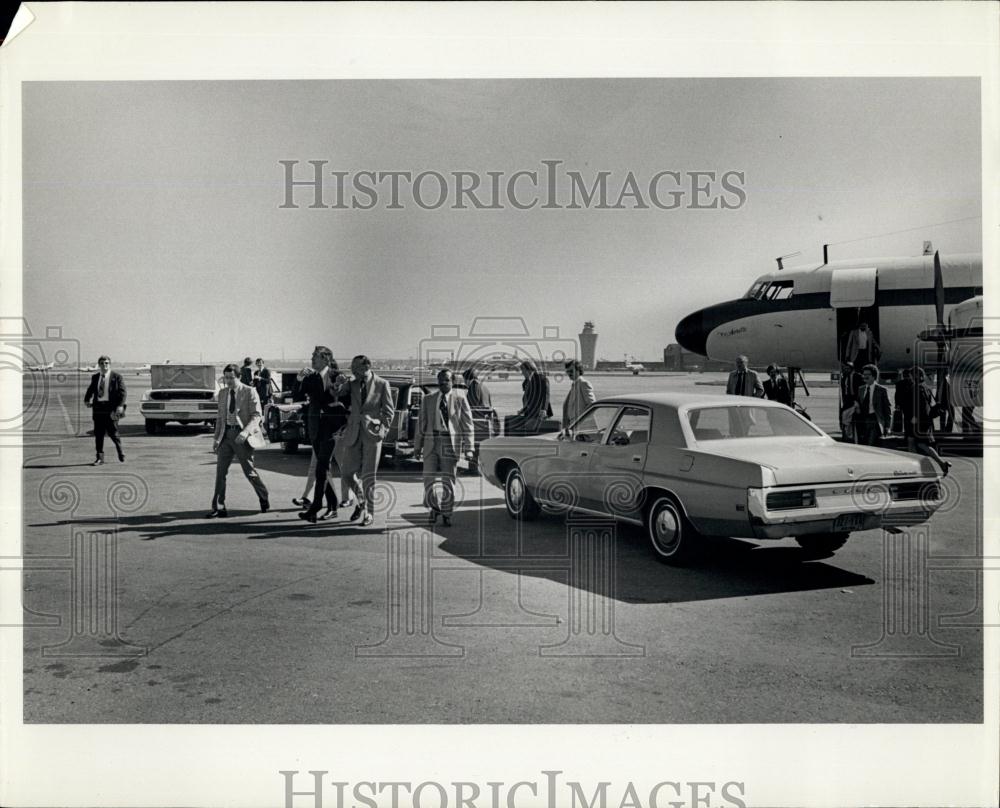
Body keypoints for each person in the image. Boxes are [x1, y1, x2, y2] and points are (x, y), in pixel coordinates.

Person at [339, 355, 395, 527]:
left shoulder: (382, 384)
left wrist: (382, 431)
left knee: (369, 476)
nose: (352, 370)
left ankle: (369, 513)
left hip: (373, 435)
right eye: (352, 368)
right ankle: (361, 499)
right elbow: (337, 394)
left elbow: (389, 411)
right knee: (346, 472)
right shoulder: (352, 383)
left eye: (355, 368)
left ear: (366, 367)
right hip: (353, 432)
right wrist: (340, 383)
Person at [207, 363, 269, 517]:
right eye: (226, 378)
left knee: (249, 472)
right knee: (220, 473)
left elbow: (257, 416)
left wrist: (246, 432)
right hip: (225, 436)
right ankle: (219, 507)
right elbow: (220, 418)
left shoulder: (250, 392)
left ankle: (263, 496)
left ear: (239, 377)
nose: (228, 381)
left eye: (231, 378)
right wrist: (216, 439)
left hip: (242, 437)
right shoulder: (222, 393)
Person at [414, 369, 474, 527]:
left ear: (452, 381)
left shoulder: (460, 399)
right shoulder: (428, 399)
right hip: (431, 442)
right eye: (440, 381)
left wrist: (469, 448)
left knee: (448, 481)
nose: (442, 384)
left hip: (450, 443)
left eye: (446, 381)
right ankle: (434, 508)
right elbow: (421, 424)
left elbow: (467, 425)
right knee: (428, 479)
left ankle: (447, 513)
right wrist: (417, 446)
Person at [295, 346, 348, 523]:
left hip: (332, 428)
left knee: (321, 467)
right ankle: (332, 507)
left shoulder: (338, 376)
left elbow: (346, 402)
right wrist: (299, 379)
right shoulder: (310, 377)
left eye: (315, 356)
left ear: (326, 359)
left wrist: (343, 425)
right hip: (315, 427)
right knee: (323, 469)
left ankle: (316, 506)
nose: (312, 359)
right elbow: (297, 395)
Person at [897, 367, 951, 475]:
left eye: (911, 375)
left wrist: (915, 417)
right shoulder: (925, 387)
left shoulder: (917, 388)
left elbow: (920, 405)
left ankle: (915, 467)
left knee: (912, 442)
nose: (909, 377)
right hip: (924, 420)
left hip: (916, 420)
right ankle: (940, 463)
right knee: (922, 444)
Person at [83, 355, 126, 465]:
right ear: (99, 365)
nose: (104, 365)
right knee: (98, 434)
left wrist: (120, 406)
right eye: (102, 363)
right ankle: (99, 457)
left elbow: (123, 393)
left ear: (109, 364)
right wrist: (87, 400)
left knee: (113, 432)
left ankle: (120, 450)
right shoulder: (95, 377)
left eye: (106, 363)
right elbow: (90, 390)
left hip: (111, 408)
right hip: (98, 409)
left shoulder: (117, 377)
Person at [852, 363, 892, 447]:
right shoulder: (861, 389)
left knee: (870, 444)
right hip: (863, 421)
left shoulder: (882, 390)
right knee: (862, 444)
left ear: (874, 376)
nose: (865, 376)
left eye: (868, 375)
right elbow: (860, 405)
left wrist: (887, 426)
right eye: (864, 374)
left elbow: (887, 410)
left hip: (875, 420)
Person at [511, 359, 552, 435]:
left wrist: (544, 409)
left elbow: (546, 395)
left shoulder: (542, 379)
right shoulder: (526, 382)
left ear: (528, 369)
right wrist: (523, 410)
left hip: (539, 415)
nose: (522, 373)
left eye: (523, 370)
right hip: (530, 414)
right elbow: (529, 400)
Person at [562, 359, 596, 430]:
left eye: (571, 371)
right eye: (567, 372)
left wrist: (582, 421)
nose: (569, 374)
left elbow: (592, 405)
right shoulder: (574, 385)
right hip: (574, 425)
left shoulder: (583, 383)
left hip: (583, 427)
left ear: (578, 370)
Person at [838, 360, 863, 441]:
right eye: (844, 368)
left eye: (847, 368)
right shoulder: (844, 377)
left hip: (855, 399)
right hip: (847, 400)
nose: (845, 370)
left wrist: (858, 401)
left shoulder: (858, 376)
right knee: (844, 416)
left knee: (854, 418)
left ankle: (854, 437)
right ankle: (846, 435)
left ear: (851, 368)